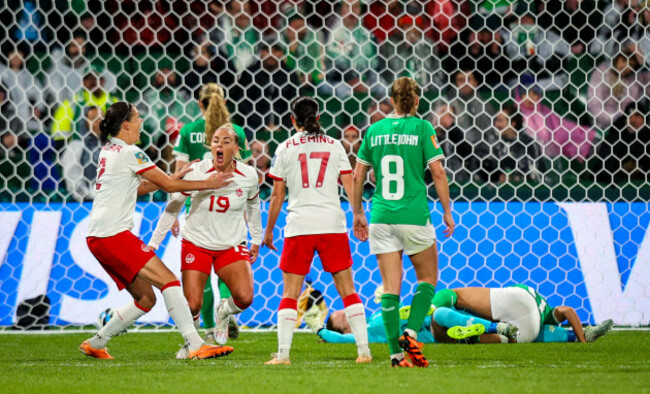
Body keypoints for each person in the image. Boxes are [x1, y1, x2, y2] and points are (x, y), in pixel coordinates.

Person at [79, 101, 234, 360]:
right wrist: (208, 182)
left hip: (97, 237)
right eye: (138, 117)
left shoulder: (108, 151)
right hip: (113, 235)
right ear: (126, 124)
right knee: (170, 281)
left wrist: (174, 178)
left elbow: (137, 188)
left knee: (145, 299)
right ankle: (196, 344)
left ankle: (97, 342)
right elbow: (170, 187)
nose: (142, 122)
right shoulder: (130, 152)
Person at [351, 77, 454, 368]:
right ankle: (411, 333)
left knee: (389, 288)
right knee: (427, 279)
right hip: (414, 216)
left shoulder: (374, 130)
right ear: (417, 101)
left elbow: (358, 176)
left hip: (382, 216)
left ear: (391, 101)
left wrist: (358, 213)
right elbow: (438, 173)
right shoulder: (423, 128)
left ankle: (395, 356)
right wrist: (447, 211)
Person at [263, 96, 371, 365]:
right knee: (348, 289)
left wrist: (268, 230)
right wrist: (358, 214)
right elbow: (350, 183)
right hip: (331, 224)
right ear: (319, 118)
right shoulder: (335, 146)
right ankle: (364, 352)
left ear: (292, 120)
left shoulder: (285, 147)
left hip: (299, 225)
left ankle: (284, 355)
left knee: (290, 292)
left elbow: (277, 196)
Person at [149, 124, 262, 355]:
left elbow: (253, 205)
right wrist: (154, 243)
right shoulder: (197, 171)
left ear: (236, 149)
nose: (219, 145)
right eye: (215, 141)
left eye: (226, 141)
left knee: (244, 297)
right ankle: (191, 342)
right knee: (192, 305)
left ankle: (223, 311)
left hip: (231, 244)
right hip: (197, 243)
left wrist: (256, 239)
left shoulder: (249, 176)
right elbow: (173, 207)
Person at [172, 82, 252, 344]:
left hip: (196, 210)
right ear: (225, 101)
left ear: (199, 104)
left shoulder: (188, 130)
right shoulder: (237, 131)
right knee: (228, 268)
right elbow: (246, 175)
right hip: (230, 208)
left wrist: (174, 212)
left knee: (201, 275)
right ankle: (225, 318)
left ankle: (206, 328)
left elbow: (179, 175)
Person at [430, 286, 614, 344]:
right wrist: (582, 342)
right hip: (529, 328)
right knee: (512, 335)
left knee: (454, 295)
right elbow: (567, 310)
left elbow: (566, 311)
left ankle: (429, 307)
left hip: (519, 299)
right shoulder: (547, 312)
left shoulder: (546, 308)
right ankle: (581, 335)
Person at [60, 106, 103, 201]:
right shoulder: (75, 147)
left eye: (102, 118)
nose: (99, 122)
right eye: (94, 119)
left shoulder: (112, 146)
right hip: (84, 202)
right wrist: (90, 194)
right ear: (85, 122)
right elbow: (72, 176)